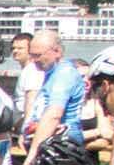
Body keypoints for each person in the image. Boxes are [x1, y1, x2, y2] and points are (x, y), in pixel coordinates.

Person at [25, 28, 86, 158]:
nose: (34, 60)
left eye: (38, 55)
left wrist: (33, 154)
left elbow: (53, 115)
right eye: (31, 55)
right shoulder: (52, 73)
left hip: (62, 148)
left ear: (57, 51)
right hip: (50, 144)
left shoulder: (64, 74)